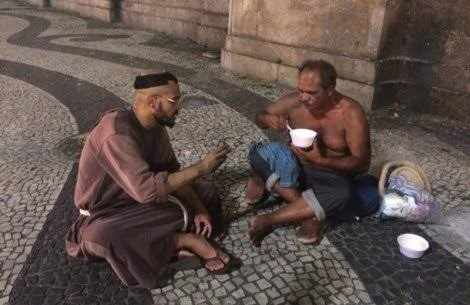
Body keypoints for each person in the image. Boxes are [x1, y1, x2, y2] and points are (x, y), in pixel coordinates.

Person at [66, 71, 235, 289]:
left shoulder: (155, 128)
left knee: (206, 194)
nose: (179, 107)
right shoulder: (115, 132)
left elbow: (172, 172)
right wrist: (201, 167)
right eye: (175, 100)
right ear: (154, 102)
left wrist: (200, 209)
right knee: (105, 235)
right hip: (108, 213)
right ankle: (183, 241)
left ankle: (163, 244)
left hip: (143, 208)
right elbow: (147, 191)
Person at [246, 60, 371, 247]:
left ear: (330, 90)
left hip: (329, 175)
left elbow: (362, 163)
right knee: (257, 153)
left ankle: (269, 218)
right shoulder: (294, 102)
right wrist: (267, 118)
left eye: (311, 93)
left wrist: (323, 161)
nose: (303, 97)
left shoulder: (350, 112)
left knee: (342, 194)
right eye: (300, 90)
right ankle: (306, 211)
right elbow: (260, 115)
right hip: (295, 166)